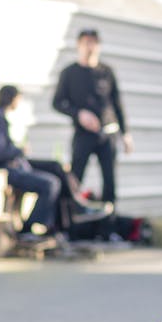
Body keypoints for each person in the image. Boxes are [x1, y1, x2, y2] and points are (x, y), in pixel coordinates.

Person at [0, 85, 62, 240]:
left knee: (55, 167)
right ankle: (29, 228)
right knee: (50, 184)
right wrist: (19, 151)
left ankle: (69, 215)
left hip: (5, 165)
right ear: (13, 99)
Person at [52, 30, 133, 207]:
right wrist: (78, 113)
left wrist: (125, 134)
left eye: (94, 43)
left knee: (109, 180)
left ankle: (109, 227)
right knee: (75, 177)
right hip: (83, 134)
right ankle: (70, 220)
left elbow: (117, 103)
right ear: (79, 45)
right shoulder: (69, 73)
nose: (90, 47)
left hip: (108, 133)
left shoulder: (106, 72)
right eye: (86, 42)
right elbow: (57, 102)